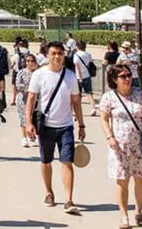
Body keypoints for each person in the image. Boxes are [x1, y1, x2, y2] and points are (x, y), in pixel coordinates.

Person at [25, 41, 85, 214]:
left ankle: (68, 199)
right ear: (47, 55)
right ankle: (49, 193)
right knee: (46, 161)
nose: (57, 57)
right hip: (46, 126)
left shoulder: (70, 76)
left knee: (67, 162)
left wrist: (81, 124)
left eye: (60, 53)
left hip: (66, 126)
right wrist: (28, 122)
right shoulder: (39, 74)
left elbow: (76, 101)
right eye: (53, 53)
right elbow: (31, 98)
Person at [99, 63, 142, 229]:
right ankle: (124, 215)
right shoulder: (109, 97)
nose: (127, 79)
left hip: (140, 146)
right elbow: (104, 119)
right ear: (114, 80)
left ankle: (138, 212)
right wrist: (109, 136)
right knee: (122, 180)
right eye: (123, 76)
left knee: (140, 179)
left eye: (129, 75)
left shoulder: (140, 94)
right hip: (119, 146)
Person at [15, 53, 39, 148]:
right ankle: (24, 137)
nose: (30, 63)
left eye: (32, 61)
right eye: (28, 61)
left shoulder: (37, 73)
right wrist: (27, 87)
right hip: (23, 99)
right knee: (23, 118)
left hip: (35, 99)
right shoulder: (21, 72)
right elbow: (18, 85)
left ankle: (32, 137)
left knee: (32, 118)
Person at [72, 41, 98, 116]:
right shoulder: (88, 54)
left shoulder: (76, 55)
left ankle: (76, 110)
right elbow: (90, 63)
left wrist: (80, 77)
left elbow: (77, 66)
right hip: (87, 76)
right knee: (89, 93)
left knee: (78, 95)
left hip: (79, 77)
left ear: (77, 46)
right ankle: (93, 108)